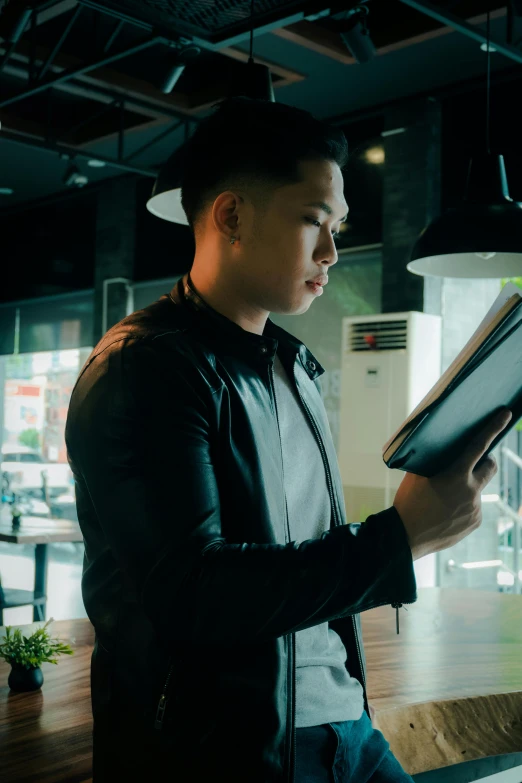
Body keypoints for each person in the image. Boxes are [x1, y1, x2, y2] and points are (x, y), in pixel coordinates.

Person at [65, 96, 511, 783]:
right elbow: (193, 593)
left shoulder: (294, 365)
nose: (333, 252)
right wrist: (399, 537)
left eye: (338, 226)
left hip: (344, 724)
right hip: (229, 753)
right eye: (313, 221)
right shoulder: (142, 367)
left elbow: (295, 561)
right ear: (232, 216)